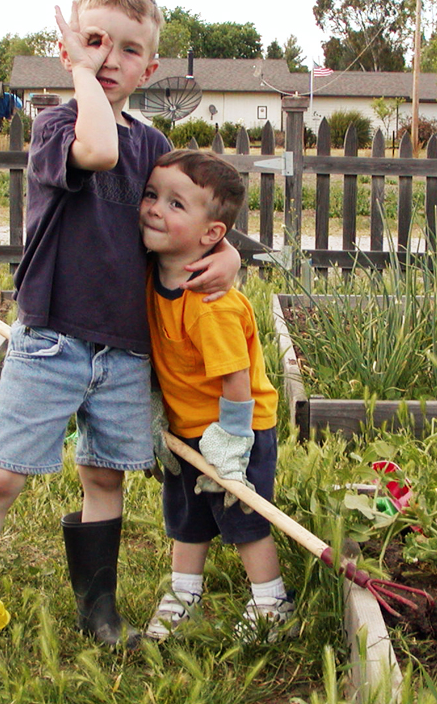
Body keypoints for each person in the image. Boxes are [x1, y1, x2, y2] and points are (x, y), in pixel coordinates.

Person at [0, 0, 241, 679]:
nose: (107, 58)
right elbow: (96, 149)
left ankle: (98, 606)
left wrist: (230, 253)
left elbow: (187, 215)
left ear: (149, 69)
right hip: (52, 336)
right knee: (0, 478)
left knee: (104, 474)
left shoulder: (152, 143)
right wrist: (78, 73)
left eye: (128, 50)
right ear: (68, 49)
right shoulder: (57, 126)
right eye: (93, 42)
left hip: (125, 345)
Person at [140, 149, 295, 642]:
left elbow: (235, 381)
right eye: (151, 195)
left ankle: (272, 603)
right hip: (187, 430)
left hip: (237, 430)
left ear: (212, 235)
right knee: (186, 516)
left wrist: (231, 447)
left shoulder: (210, 305)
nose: (154, 208)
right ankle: (184, 594)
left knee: (244, 519)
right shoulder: (149, 276)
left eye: (175, 204)